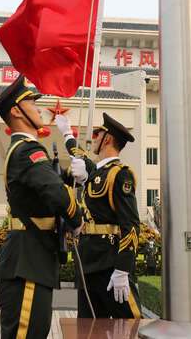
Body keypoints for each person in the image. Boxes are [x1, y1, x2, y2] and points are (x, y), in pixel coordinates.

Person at [0, 74, 83, 339]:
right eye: (32, 103)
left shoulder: (27, 150)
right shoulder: (26, 149)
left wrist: (69, 175)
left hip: (32, 261)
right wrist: (77, 219)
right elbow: (54, 193)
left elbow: (48, 185)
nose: (40, 108)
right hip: (27, 263)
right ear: (17, 111)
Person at [56, 111, 142, 319]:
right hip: (88, 264)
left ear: (108, 139)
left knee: (132, 325)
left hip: (109, 265)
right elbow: (81, 157)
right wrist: (67, 134)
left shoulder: (120, 173)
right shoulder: (96, 172)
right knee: (90, 328)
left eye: (97, 134)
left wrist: (123, 269)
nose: (93, 138)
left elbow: (130, 224)